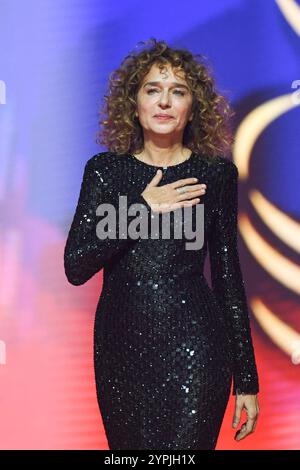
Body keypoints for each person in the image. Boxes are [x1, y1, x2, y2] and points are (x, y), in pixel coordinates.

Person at [64, 38, 260, 450]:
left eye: (178, 92)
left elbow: (227, 278)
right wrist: (142, 208)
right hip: (121, 351)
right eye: (153, 90)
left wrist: (246, 380)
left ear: (194, 107)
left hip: (197, 349)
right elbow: (76, 266)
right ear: (133, 104)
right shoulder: (105, 172)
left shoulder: (215, 174)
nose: (165, 102)